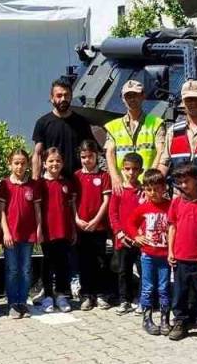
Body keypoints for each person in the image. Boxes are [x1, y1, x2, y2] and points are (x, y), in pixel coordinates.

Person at [166, 163, 197, 342]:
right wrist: (170, 250)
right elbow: (172, 227)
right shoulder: (176, 203)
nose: (184, 185)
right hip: (180, 257)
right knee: (180, 292)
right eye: (180, 182)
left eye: (187, 181)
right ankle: (180, 321)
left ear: (196, 179)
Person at [127, 169, 171, 335]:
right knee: (148, 287)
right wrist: (136, 236)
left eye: (157, 189)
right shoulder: (143, 208)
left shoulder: (170, 206)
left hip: (165, 255)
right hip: (148, 255)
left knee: (164, 287)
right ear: (144, 190)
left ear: (164, 188)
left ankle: (165, 318)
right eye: (149, 189)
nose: (153, 193)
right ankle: (147, 318)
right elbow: (130, 223)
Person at [104, 79, 166, 193]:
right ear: (123, 99)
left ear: (143, 96)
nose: (132, 99)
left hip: (148, 188)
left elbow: (161, 151)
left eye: (135, 95)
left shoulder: (156, 124)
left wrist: (150, 180)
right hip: (123, 186)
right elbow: (110, 153)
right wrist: (115, 177)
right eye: (128, 96)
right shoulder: (113, 126)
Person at [1, 149, 41, 319]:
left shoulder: (33, 185)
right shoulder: (4, 185)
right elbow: (1, 211)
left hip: (28, 235)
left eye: (23, 163)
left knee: (25, 269)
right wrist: (6, 232)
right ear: (10, 164)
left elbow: (37, 210)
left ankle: (23, 301)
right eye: (16, 163)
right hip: (11, 235)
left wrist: (39, 230)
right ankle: (12, 303)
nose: (19, 166)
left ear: (28, 164)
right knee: (12, 269)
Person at [31, 79, 97, 180]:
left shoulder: (81, 122)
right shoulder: (42, 123)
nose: (63, 99)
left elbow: (91, 151)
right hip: (52, 181)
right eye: (59, 95)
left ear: (71, 96)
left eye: (66, 95)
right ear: (52, 98)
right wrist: (35, 180)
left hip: (77, 181)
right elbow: (38, 154)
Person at [73, 139, 112, 310]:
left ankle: (101, 294)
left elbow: (106, 201)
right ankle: (87, 294)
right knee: (84, 262)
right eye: (83, 157)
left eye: (90, 156)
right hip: (81, 227)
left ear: (96, 156)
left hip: (99, 227)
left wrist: (96, 220)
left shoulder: (104, 176)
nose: (87, 160)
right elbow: (72, 202)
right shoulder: (76, 176)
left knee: (101, 261)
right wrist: (76, 219)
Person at [39, 148, 77, 313]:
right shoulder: (40, 184)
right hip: (47, 231)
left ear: (63, 163)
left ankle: (61, 294)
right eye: (51, 161)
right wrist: (39, 230)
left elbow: (71, 209)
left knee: (63, 264)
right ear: (44, 164)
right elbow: (37, 210)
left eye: (58, 161)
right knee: (48, 263)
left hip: (64, 230)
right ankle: (47, 296)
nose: (54, 164)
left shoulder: (67, 183)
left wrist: (73, 229)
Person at [109, 152, 145, 314]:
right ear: (122, 169)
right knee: (124, 271)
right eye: (128, 169)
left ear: (141, 171)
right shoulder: (118, 190)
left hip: (140, 240)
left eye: (135, 169)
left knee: (143, 270)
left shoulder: (144, 191)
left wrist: (140, 235)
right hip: (123, 239)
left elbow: (146, 215)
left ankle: (142, 299)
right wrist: (119, 233)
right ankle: (124, 300)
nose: (131, 172)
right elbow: (113, 214)